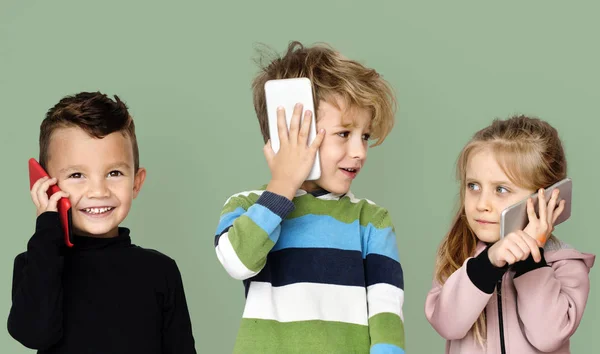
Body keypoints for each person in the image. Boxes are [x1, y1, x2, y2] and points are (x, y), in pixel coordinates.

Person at [214, 41, 405, 353]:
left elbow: (386, 311)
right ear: (287, 132)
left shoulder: (371, 220)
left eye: (365, 137)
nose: (359, 152)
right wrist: (282, 185)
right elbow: (238, 262)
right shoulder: (248, 207)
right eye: (344, 134)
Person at [8, 91, 197, 354]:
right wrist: (47, 230)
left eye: (114, 173)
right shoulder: (36, 264)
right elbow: (34, 333)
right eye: (77, 174)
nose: (99, 191)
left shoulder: (159, 271)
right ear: (46, 185)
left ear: (136, 182)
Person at [425, 114, 595, 353]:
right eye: (473, 186)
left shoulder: (566, 265)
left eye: (501, 190)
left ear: (543, 198)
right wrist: (488, 263)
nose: (482, 203)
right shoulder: (459, 256)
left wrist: (530, 257)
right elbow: (448, 324)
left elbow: (548, 336)